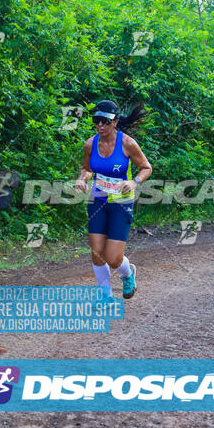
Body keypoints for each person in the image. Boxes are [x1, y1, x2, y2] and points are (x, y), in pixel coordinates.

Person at [75, 100, 152, 303]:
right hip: (97, 200)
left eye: (105, 122)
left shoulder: (127, 143)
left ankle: (128, 273)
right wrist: (81, 179)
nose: (100, 125)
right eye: (97, 121)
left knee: (113, 258)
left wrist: (134, 182)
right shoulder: (90, 144)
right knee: (97, 252)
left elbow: (146, 168)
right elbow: (87, 168)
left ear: (115, 122)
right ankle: (105, 297)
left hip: (121, 203)